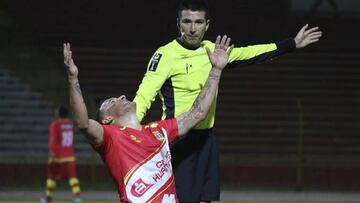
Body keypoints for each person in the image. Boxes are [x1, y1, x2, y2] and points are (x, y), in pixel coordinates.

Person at [133, 0, 323, 202]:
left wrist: (291, 44)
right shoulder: (165, 55)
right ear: (178, 24)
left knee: (206, 199)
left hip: (206, 140)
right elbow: (145, 95)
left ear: (207, 25)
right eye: (187, 22)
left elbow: (251, 53)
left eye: (198, 22)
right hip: (179, 142)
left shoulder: (214, 51)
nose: (192, 28)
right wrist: (128, 131)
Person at [63, 34, 232, 202]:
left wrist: (216, 70)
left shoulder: (158, 130)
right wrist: (72, 79)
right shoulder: (111, 137)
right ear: (107, 120)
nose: (121, 96)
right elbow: (82, 123)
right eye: (112, 101)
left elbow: (197, 114)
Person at [40, 106, 81, 203]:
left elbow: (53, 141)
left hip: (57, 157)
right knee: (73, 178)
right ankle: (77, 198)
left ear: (58, 114)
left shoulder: (55, 125)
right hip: (70, 156)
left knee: (51, 178)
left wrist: (52, 154)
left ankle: (48, 199)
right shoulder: (71, 125)